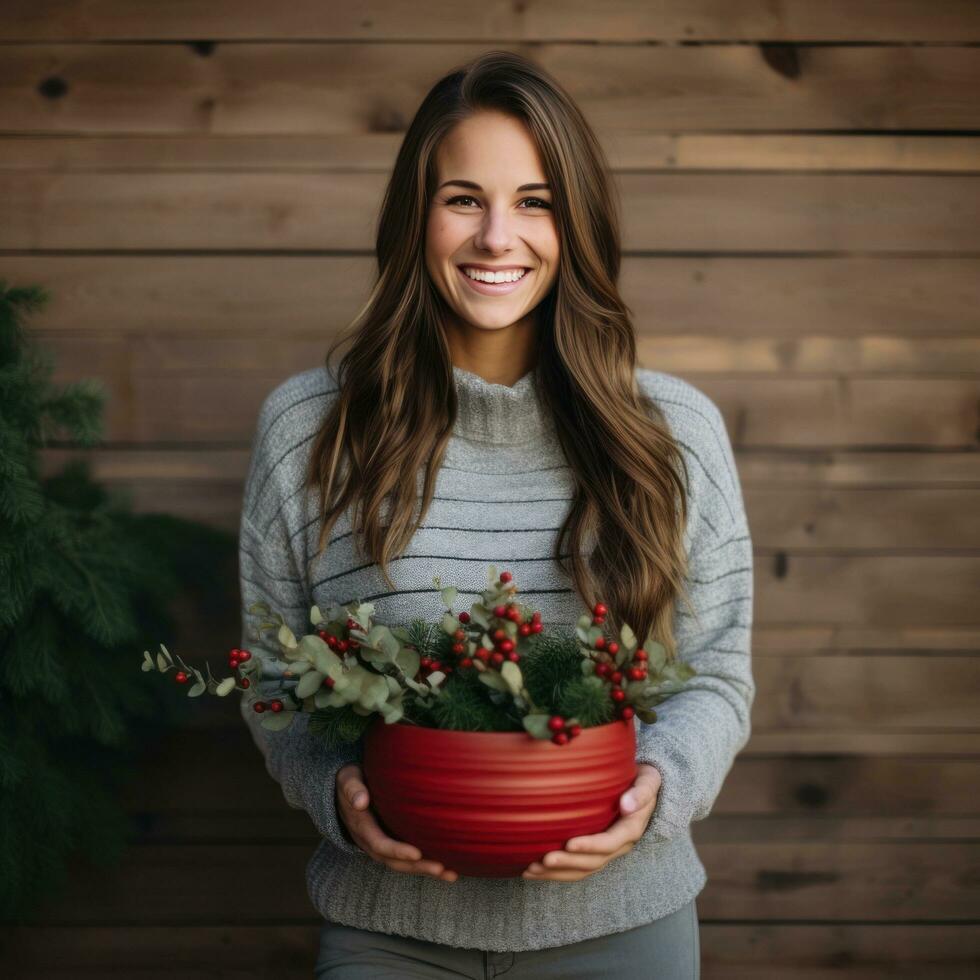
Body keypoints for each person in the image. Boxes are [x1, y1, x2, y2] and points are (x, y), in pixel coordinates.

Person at [238, 50, 754, 979]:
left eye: (535, 201)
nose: (496, 237)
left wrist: (658, 790)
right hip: (387, 934)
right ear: (416, 217)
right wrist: (334, 789)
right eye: (464, 198)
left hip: (621, 930)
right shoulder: (309, 430)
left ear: (576, 223)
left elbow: (714, 676)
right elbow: (273, 676)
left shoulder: (670, 433)